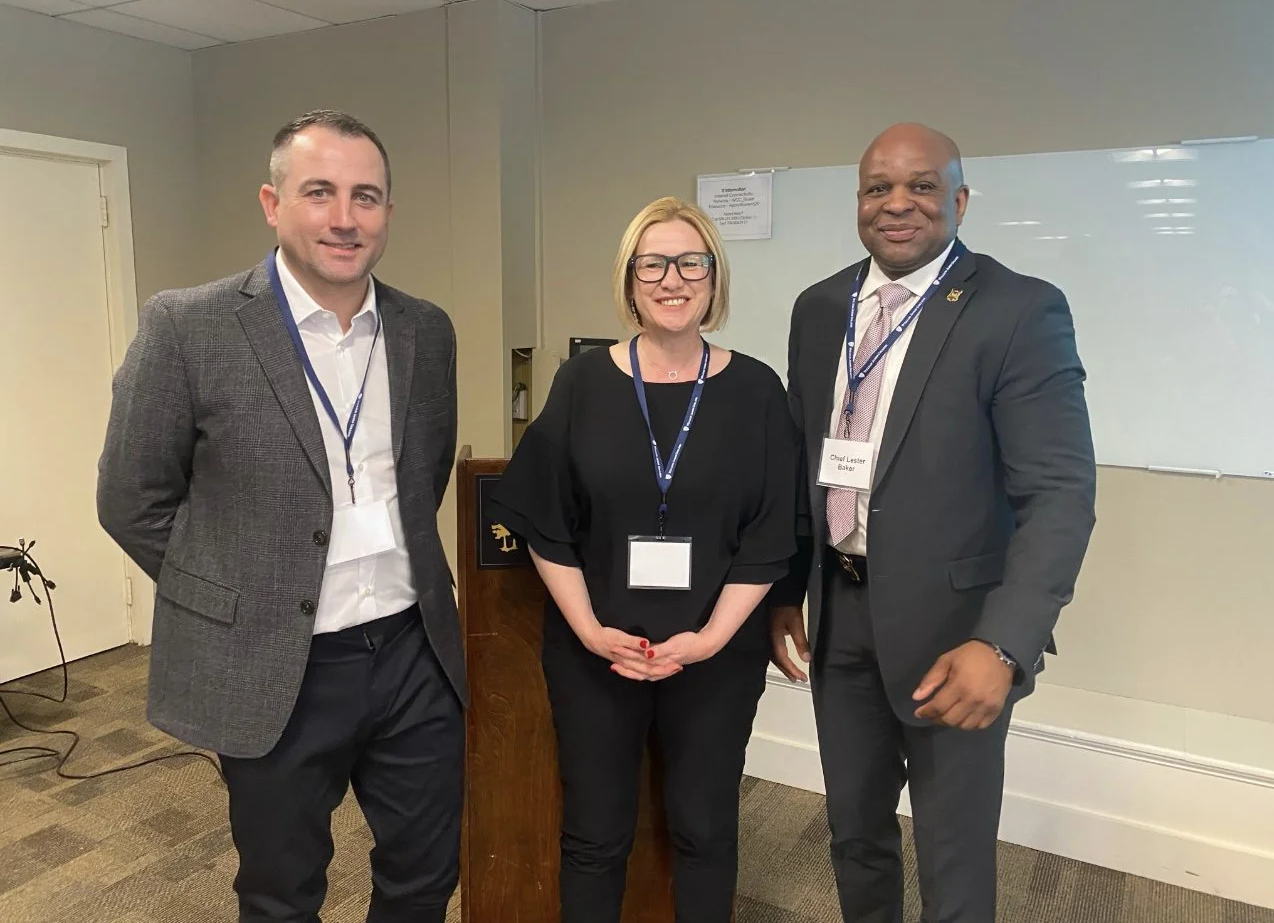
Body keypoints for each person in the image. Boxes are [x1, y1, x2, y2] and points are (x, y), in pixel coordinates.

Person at [97, 109, 465, 923]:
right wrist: (236, 590)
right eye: (319, 192)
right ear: (273, 203)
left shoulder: (424, 331)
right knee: (281, 888)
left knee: (426, 874)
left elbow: (422, 481)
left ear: (388, 213)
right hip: (279, 663)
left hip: (413, 653)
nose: (344, 218)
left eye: (365, 197)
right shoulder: (189, 326)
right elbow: (132, 498)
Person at [767, 123, 1096, 923]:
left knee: (952, 853)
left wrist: (1005, 644)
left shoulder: (1018, 309)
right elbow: (803, 465)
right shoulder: (819, 309)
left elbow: (1059, 494)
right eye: (878, 187)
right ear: (858, 200)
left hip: (957, 636)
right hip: (839, 615)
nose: (897, 204)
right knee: (853, 833)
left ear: (960, 198)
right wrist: (786, 592)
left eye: (920, 185)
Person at [486, 196, 798, 922]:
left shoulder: (755, 390)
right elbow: (544, 521)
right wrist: (591, 630)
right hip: (597, 652)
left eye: (692, 261)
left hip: (716, 653)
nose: (673, 278)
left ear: (715, 279)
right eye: (652, 262)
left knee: (706, 829)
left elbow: (770, 532)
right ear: (629, 281)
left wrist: (712, 639)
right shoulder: (584, 381)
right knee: (594, 836)